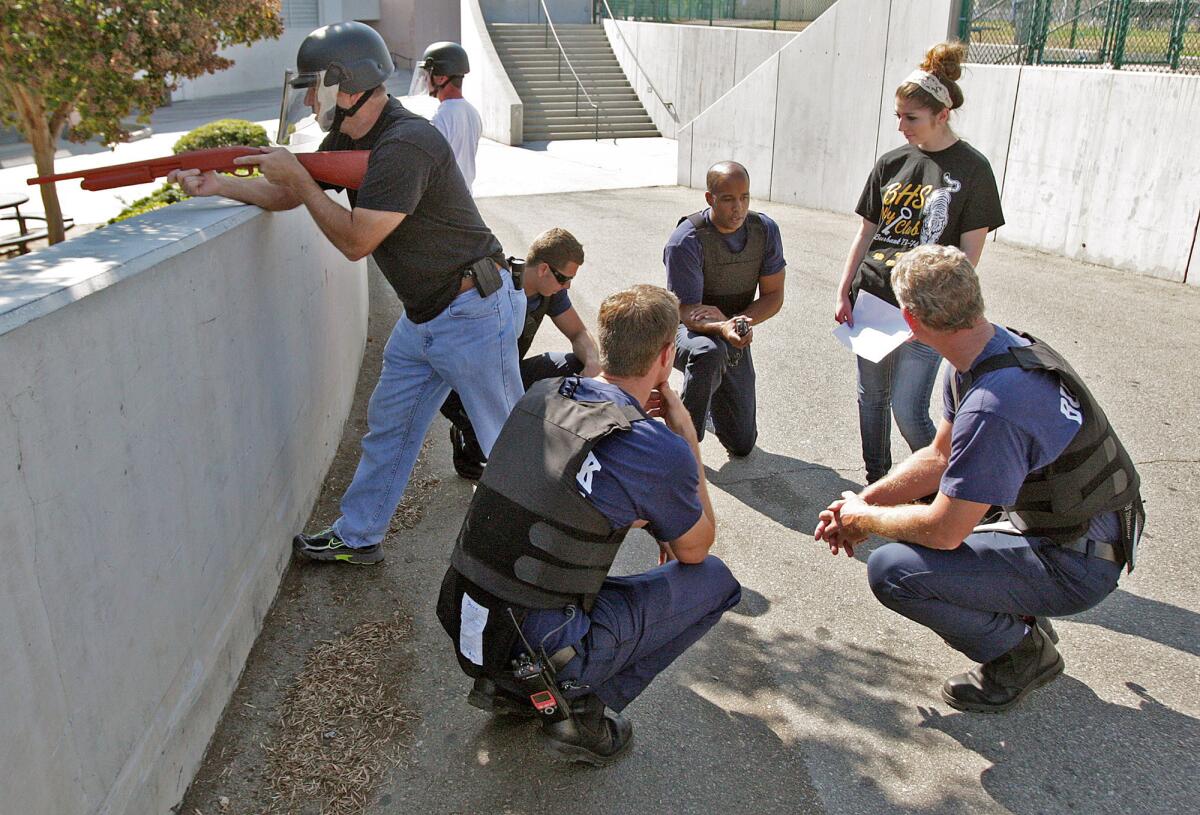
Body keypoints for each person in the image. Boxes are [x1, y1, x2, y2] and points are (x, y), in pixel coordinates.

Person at [170, 21, 525, 565]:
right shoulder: (354, 137)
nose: (311, 98)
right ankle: (357, 538)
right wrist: (220, 184)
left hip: (472, 308)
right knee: (389, 431)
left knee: (506, 440)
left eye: (316, 85)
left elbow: (356, 241)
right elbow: (286, 194)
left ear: (348, 84)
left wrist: (301, 179)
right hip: (424, 315)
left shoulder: (406, 143)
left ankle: (535, 557)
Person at [814, 245, 1143, 714]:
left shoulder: (994, 404)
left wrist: (866, 519)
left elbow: (945, 531)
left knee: (894, 570)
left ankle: (1022, 656)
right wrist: (861, 501)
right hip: (1075, 531)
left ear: (910, 321)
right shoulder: (995, 349)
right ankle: (1020, 614)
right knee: (945, 513)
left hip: (1077, 561)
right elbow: (940, 455)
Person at [437, 284, 741, 765]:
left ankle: (508, 689)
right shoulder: (655, 449)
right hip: (538, 649)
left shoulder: (543, 395)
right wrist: (686, 439)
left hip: (463, 619)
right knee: (715, 581)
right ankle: (578, 711)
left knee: (540, 566)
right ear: (667, 357)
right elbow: (696, 548)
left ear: (606, 344)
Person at [834, 41, 1004, 484]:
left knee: (909, 411)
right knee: (871, 397)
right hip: (871, 299)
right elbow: (867, 232)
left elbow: (968, 259)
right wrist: (843, 289)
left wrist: (938, 313)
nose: (902, 127)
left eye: (911, 118)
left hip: (926, 311)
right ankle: (877, 481)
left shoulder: (973, 170)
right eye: (898, 117)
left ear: (941, 115)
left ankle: (942, 488)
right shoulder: (891, 162)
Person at [441, 227, 601, 480]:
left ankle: (536, 433)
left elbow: (579, 334)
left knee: (572, 365)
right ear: (544, 269)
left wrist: (592, 363)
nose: (567, 285)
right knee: (493, 460)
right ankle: (466, 436)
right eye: (563, 278)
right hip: (461, 384)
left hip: (505, 376)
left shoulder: (550, 293)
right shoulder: (491, 283)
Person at [663, 160, 786, 457]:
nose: (738, 208)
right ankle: (680, 443)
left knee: (743, 444)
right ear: (710, 199)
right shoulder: (686, 240)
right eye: (729, 199)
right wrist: (722, 327)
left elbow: (774, 295)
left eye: (744, 197)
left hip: (732, 328)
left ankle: (706, 407)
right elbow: (686, 310)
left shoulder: (764, 230)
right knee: (708, 352)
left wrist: (739, 322)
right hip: (688, 332)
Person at [413, 41, 482, 192]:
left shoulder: (441, 117)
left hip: (445, 202)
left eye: (427, 74)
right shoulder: (473, 113)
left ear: (441, 78)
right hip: (465, 197)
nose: (424, 80)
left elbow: (426, 164)